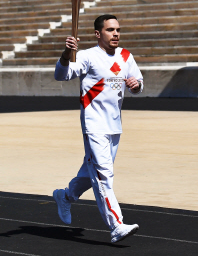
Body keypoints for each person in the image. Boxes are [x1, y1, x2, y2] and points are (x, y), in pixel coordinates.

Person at [53, 14, 143, 243]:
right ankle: (116, 226)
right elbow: (61, 75)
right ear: (98, 34)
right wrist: (66, 53)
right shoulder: (87, 56)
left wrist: (136, 85)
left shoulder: (125, 56)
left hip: (114, 125)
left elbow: (138, 83)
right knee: (104, 175)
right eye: (111, 30)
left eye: (118, 30)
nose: (116, 34)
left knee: (90, 172)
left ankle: (65, 196)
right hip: (94, 124)